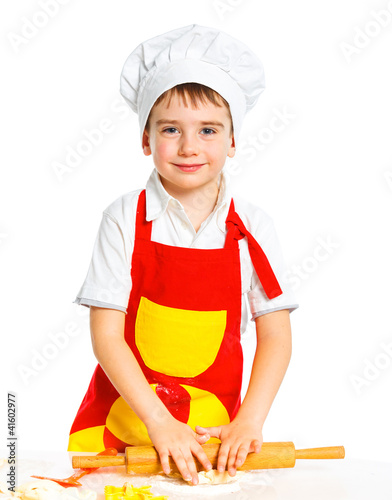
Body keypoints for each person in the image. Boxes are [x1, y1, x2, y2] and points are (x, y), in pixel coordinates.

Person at [68, 24, 298, 485]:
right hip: (124, 436)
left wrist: (249, 422)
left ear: (233, 140)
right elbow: (106, 337)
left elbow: (275, 336)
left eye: (208, 130)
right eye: (170, 129)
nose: (189, 147)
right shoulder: (122, 219)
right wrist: (159, 423)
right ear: (145, 140)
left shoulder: (251, 228)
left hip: (210, 442)